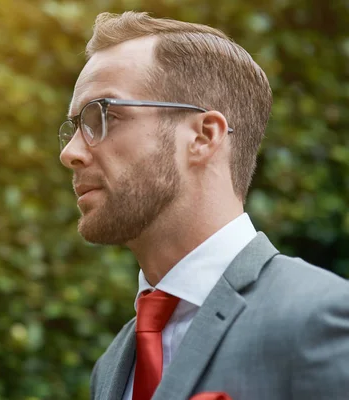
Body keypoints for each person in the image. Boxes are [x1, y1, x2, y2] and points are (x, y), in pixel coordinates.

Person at [58, 11, 349, 400]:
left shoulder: (320, 318)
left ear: (203, 136)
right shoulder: (110, 367)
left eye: (103, 115)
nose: (70, 152)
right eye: (74, 126)